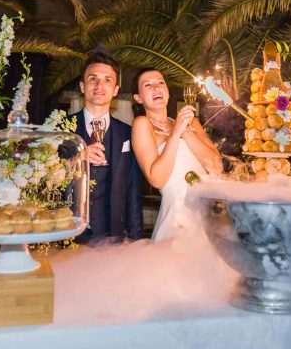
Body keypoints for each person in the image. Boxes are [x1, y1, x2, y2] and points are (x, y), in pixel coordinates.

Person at [131, 67, 222, 242]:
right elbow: (157, 179)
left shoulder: (191, 122)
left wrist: (186, 131)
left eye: (160, 83)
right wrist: (175, 133)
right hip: (176, 218)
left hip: (208, 216)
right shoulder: (143, 124)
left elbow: (216, 166)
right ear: (138, 98)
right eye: (148, 85)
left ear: (168, 92)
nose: (156, 88)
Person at [72, 51, 143, 242]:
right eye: (92, 78)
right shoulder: (58, 128)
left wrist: (136, 241)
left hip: (113, 238)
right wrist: (75, 159)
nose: (99, 86)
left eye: (107, 80)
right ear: (82, 86)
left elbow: (132, 190)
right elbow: (40, 176)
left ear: (115, 90)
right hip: (67, 235)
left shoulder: (128, 133)